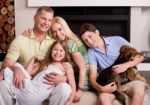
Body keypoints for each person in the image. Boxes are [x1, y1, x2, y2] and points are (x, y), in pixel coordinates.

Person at [0, 6, 71, 105]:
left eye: (49, 20)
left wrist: (64, 78)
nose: (46, 23)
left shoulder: (55, 43)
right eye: (43, 18)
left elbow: (64, 67)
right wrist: (16, 69)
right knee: (2, 85)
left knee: (65, 88)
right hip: (23, 83)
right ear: (35, 18)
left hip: (45, 85)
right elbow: (5, 64)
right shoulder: (21, 40)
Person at [22, 16, 91, 103]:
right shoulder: (61, 43)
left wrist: (79, 90)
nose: (58, 34)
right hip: (73, 74)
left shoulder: (70, 43)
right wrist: (29, 32)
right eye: (54, 31)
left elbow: (83, 68)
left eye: (60, 29)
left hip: (84, 79)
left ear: (65, 28)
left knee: (62, 84)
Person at [79, 23, 147, 105]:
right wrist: (102, 89)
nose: (89, 41)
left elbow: (140, 57)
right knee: (103, 98)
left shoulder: (117, 40)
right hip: (111, 82)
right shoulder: (91, 52)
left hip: (129, 79)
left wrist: (126, 65)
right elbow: (92, 78)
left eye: (90, 36)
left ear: (97, 32)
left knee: (139, 91)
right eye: (85, 40)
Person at [2, 40, 76, 105]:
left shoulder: (66, 65)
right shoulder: (45, 64)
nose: (57, 52)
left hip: (36, 95)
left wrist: (70, 101)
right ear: (51, 51)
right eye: (55, 50)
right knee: (15, 67)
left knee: (11, 67)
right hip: (29, 88)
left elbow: (72, 86)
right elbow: (27, 73)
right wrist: (33, 58)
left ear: (65, 53)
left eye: (61, 50)